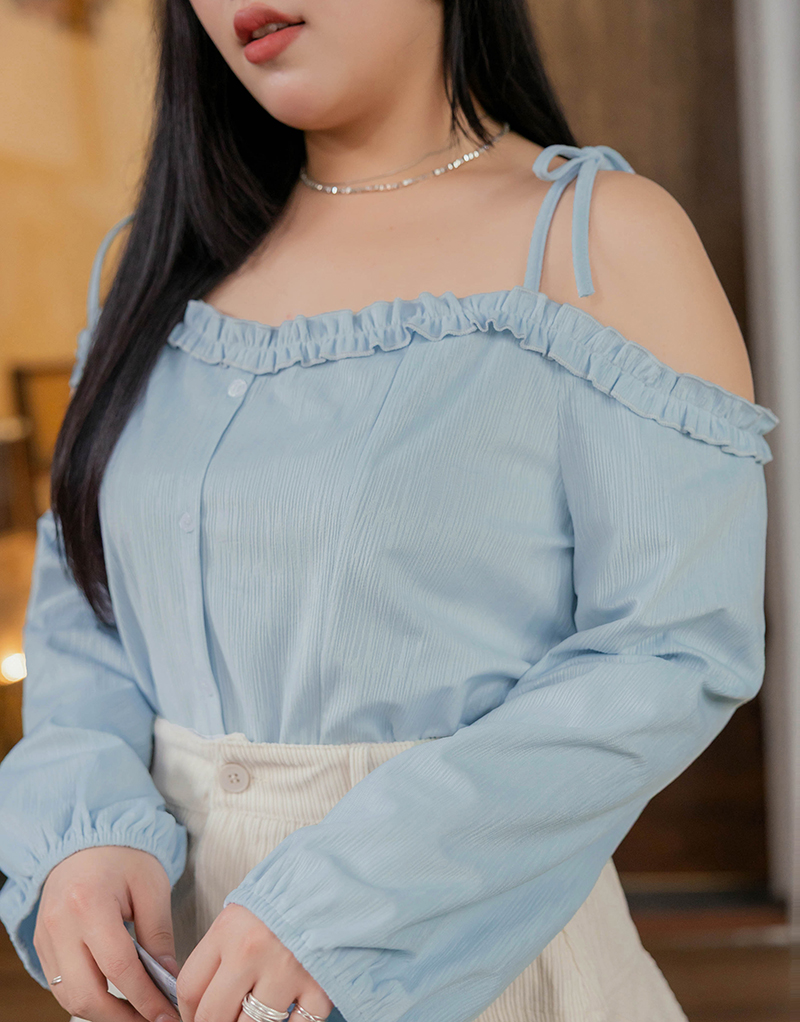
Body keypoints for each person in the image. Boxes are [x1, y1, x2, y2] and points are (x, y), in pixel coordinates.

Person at [0, 1, 779, 1021]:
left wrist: (348, 898)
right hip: (179, 978)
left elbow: (671, 650)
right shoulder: (159, 264)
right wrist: (81, 831)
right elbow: (88, 608)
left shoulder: (597, 239)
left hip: (478, 981)